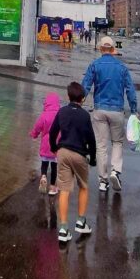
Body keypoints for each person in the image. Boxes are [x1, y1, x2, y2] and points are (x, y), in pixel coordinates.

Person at [82, 35, 138, 194]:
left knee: (101, 146)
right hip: (117, 110)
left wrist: (77, 103)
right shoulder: (122, 68)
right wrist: (134, 110)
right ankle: (116, 171)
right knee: (117, 143)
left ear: (100, 49)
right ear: (113, 50)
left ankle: (102, 180)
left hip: (99, 109)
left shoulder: (94, 65)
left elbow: (85, 86)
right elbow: (130, 91)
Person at [48, 81, 97, 243]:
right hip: (79, 154)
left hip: (63, 152)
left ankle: (63, 228)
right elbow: (91, 138)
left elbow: (53, 131)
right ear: (82, 99)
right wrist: (93, 157)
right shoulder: (85, 116)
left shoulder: (62, 112)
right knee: (83, 186)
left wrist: (54, 147)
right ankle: (81, 221)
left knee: (64, 189)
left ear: (68, 96)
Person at [30, 92, 61, 195]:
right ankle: (52, 187)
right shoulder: (60, 115)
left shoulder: (44, 115)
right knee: (54, 167)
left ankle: (43, 176)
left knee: (44, 163)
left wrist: (34, 134)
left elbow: (37, 127)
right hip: (56, 146)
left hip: (45, 145)